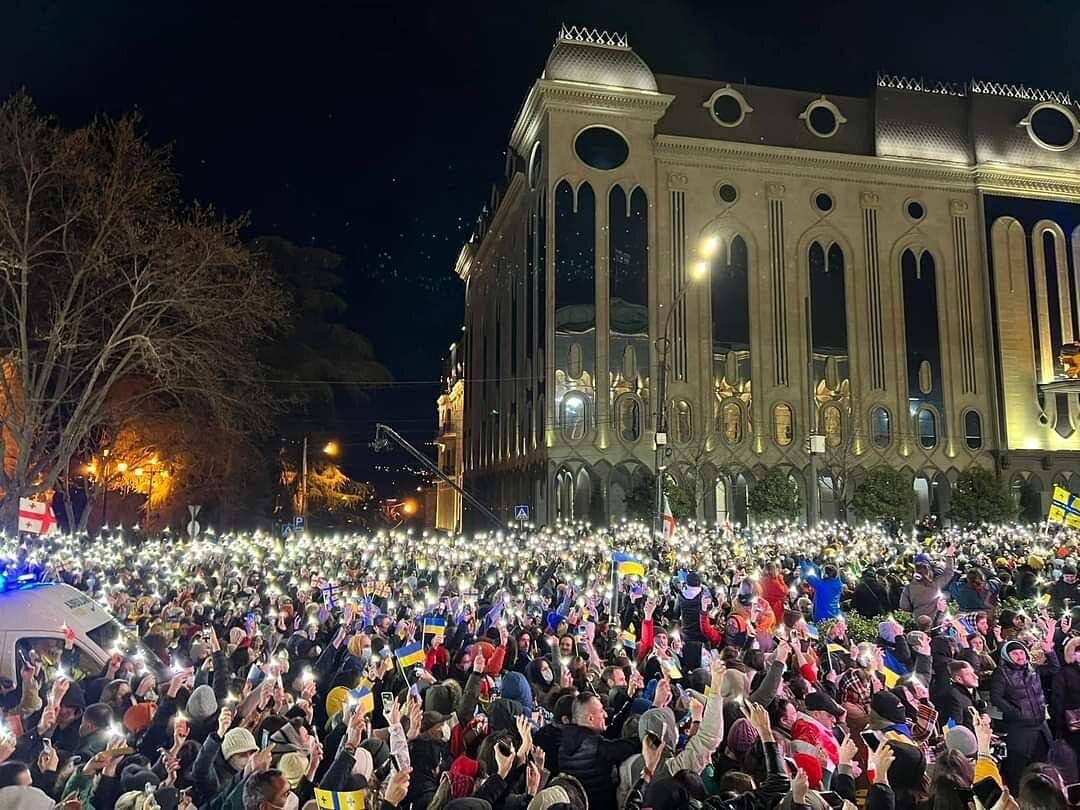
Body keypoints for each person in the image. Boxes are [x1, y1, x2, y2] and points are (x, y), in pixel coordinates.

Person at [990, 638, 1058, 790]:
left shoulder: (1033, 668)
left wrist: (1049, 651)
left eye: (1022, 652)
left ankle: (1044, 793)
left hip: (1041, 726)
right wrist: (1016, 713)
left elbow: (1055, 669)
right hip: (1020, 729)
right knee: (1019, 767)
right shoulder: (1001, 673)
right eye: (1015, 654)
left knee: (1044, 764)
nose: (1020, 656)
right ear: (1007, 656)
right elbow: (996, 698)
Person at [900, 549, 956, 622]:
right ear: (929, 569)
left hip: (921, 620)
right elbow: (949, 572)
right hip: (940, 620)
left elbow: (904, 606)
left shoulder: (908, 588)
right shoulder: (936, 584)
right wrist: (949, 555)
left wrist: (917, 608)